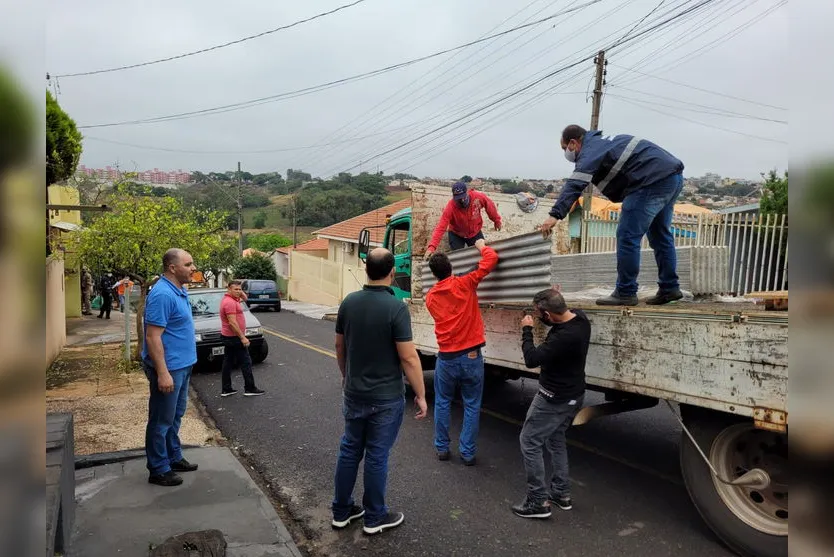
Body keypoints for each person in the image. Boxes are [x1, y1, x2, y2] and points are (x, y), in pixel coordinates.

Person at [331, 248, 428, 536]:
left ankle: (341, 511)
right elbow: (409, 358)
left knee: (349, 450)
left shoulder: (348, 303)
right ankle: (374, 517)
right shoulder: (396, 307)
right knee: (376, 455)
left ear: (366, 271)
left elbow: (339, 346)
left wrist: (346, 375)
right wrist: (421, 395)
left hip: (354, 392)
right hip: (385, 397)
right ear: (391, 273)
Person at [540, 125, 685, 306]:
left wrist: (555, 215)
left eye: (565, 148)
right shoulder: (605, 142)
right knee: (660, 235)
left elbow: (575, 184)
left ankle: (625, 291)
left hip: (649, 182)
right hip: (672, 178)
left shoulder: (590, 150)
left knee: (627, 236)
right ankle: (669, 288)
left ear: (573, 142)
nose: (566, 153)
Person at [512, 287, 590, 519]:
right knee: (556, 441)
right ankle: (561, 493)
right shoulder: (581, 320)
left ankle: (537, 500)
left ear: (548, 316)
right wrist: (553, 295)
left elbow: (531, 359)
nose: (537, 318)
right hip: (574, 395)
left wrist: (526, 330)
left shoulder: (562, 338)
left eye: (538, 315)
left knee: (529, 441)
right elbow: (565, 309)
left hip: (553, 398)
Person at [425, 238, 498, 465]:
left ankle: (442, 449)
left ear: (434, 274)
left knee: (443, 402)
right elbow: (491, 259)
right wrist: (480, 245)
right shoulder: (465, 283)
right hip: (471, 356)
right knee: (471, 404)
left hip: (446, 358)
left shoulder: (430, 298)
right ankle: (467, 453)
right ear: (450, 267)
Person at [141, 249, 199, 487]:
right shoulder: (163, 294)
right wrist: (163, 373)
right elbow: (153, 337)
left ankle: (173, 457)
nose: (193, 268)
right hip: (169, 368)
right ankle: (158, 468)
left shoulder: (179, 290)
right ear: (172, 268)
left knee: (175, 416)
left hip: (183, 366)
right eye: (188, 264)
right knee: (161, 419)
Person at [424, 181, 502, 259]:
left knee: (481, 256)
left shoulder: (478, 197)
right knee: (458, 258)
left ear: (467, 192)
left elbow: (490, 206)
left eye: (463, 197)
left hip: (475, 232)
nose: (461, 201)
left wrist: (496, 220)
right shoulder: (450, 207)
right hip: (456, 234)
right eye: (458, 199)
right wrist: (432, 247)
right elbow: (441, 227)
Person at [219, 280, 265, 397]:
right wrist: (242, 337)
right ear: (229, 289)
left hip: (229, 336)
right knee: (246, 362)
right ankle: (249, 388)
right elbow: (232, 323)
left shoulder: (233, 299)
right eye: (236, 289)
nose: (239, 292)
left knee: (228, 362)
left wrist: (240, 290)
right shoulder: (229, 302)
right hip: (234, 337)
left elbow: (245, 299)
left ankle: (226, 389)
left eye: (240, 289)